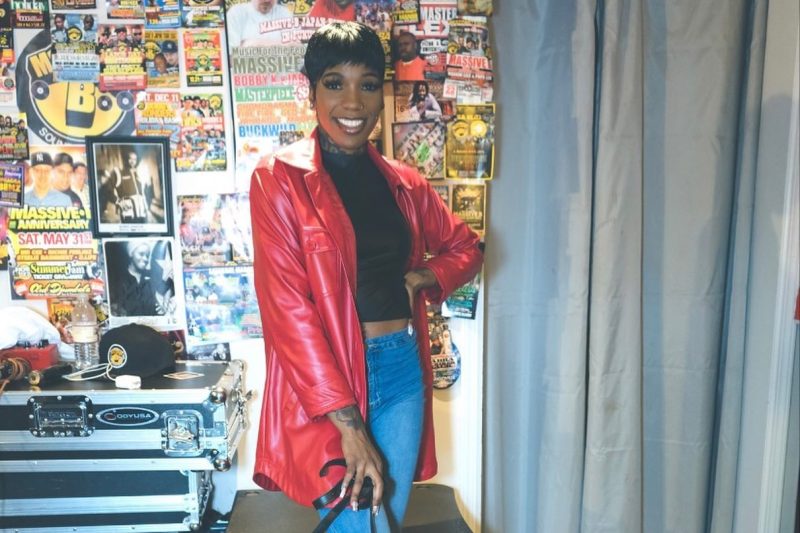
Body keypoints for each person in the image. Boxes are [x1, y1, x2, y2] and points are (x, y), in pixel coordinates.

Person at [249, 22, 482, 533]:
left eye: (368, 84)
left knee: (383, 522)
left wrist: (426, 276)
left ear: (382, 93)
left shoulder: (406, 184)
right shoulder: (278, 180)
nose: (352, 102)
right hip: (328, 386)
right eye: (335, 83)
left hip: (400, 369)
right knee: (359, 526)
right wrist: (347, 424)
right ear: (311, 91)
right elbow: (288, 311)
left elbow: (467, 247)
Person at [111, 240, 159, 317]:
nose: (145, 259)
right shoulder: (119, 281)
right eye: (141, 254)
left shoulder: (150, 282)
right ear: (131, 253)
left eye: (147, 256)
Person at [226, 0, 293, 47]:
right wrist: (281, 45)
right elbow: (232, 56)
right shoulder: (236, 13)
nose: (267, 1)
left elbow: (294, 48)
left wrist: (252, 44)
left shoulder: (284, 13)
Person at [113, 150, 150, 223]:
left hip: (141, 213)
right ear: (126, 159)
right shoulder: (119, 173)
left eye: (134, 159)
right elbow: (109, 190)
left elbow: (144, 192)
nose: (132, 161)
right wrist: (118, 202)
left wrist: (146, 207)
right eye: (130, 158)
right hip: (128, 213)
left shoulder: (139, 173)